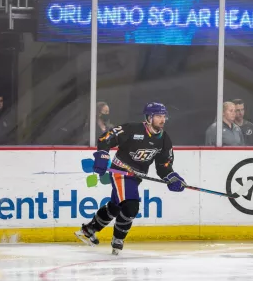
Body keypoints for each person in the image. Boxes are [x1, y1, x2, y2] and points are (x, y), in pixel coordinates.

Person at [74, 102, 186, 255]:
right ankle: (118, 240)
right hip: (120, 172)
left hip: (135, 177)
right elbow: (106, 138)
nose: (162, 119)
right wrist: (102, 155)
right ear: (149, 117)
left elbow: (163, 166)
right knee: (131, 206)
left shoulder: (164, 139)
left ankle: (88, 230)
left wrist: (172, 177)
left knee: (116, 206)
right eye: (159, 116)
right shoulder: (132, 129)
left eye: (163, 116)